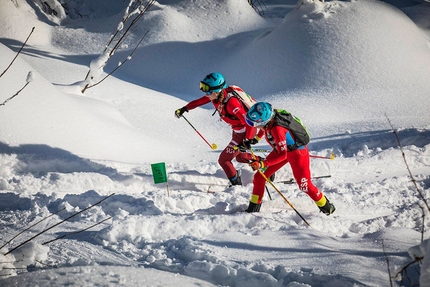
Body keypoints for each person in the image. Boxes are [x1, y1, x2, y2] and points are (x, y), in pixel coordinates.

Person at [244, 101, 336, 215]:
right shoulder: (270, 121)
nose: (254, 126)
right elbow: (265, 130)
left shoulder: (277, 130)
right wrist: (256, 139)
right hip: (282, 150)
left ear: (264, 121)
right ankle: (253, 210)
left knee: (305, 186)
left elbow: (283, 155)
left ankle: (327, 207)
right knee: (259, 178)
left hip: (297, 154)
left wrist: (263, 164)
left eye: (254, 124)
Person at [174, 72, 261, 186]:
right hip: (237, 131)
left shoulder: (232, 104)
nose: (205, 92)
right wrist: (184, 108)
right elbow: (198, 102)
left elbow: (249, 122)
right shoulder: (216, 97)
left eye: (207, 89)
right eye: (203, 88)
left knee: (224, 160)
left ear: (217, 90)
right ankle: (264, 163)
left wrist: (247, 140)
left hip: (245, 133)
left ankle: (236, 183)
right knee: (241, 157)